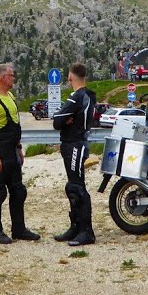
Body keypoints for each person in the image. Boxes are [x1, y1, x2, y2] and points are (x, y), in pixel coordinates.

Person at [0, 63, 38, 245]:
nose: (14, 78)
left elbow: (15, 127)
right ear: (3, 78)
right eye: (11, 76)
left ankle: (19, 229)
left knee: (18, 191)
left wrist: (19, 149)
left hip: (12, 153)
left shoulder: (10, 97)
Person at [51, 62, 97, 246]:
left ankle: (86, 231)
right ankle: (76, 227)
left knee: (77, 187)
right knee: (73, 186)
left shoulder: (77, 97)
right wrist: (65, 119)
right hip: (78, 143)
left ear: (70, 77)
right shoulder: (89, 96)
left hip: (75, 144)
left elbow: (56, 121)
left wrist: (65, 119)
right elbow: (62, 119)